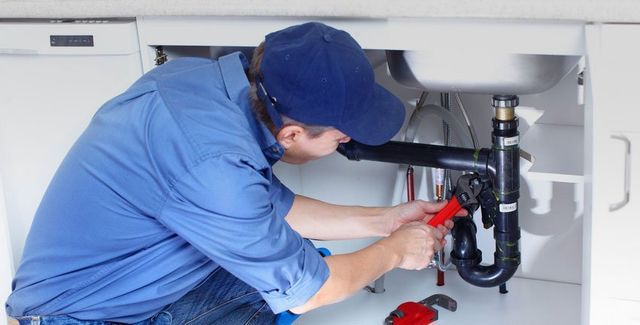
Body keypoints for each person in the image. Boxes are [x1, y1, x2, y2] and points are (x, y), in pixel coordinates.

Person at [6, 22, 455, 324]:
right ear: (293, 133)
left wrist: (386, 220)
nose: (344, 145)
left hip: (135, 282)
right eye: (340, 139)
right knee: (307, 279)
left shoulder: (201, 84)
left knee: (298, 266)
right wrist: (394, 252)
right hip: (86, 316)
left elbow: (269, 207)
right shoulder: (215, 166)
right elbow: (309, 293)